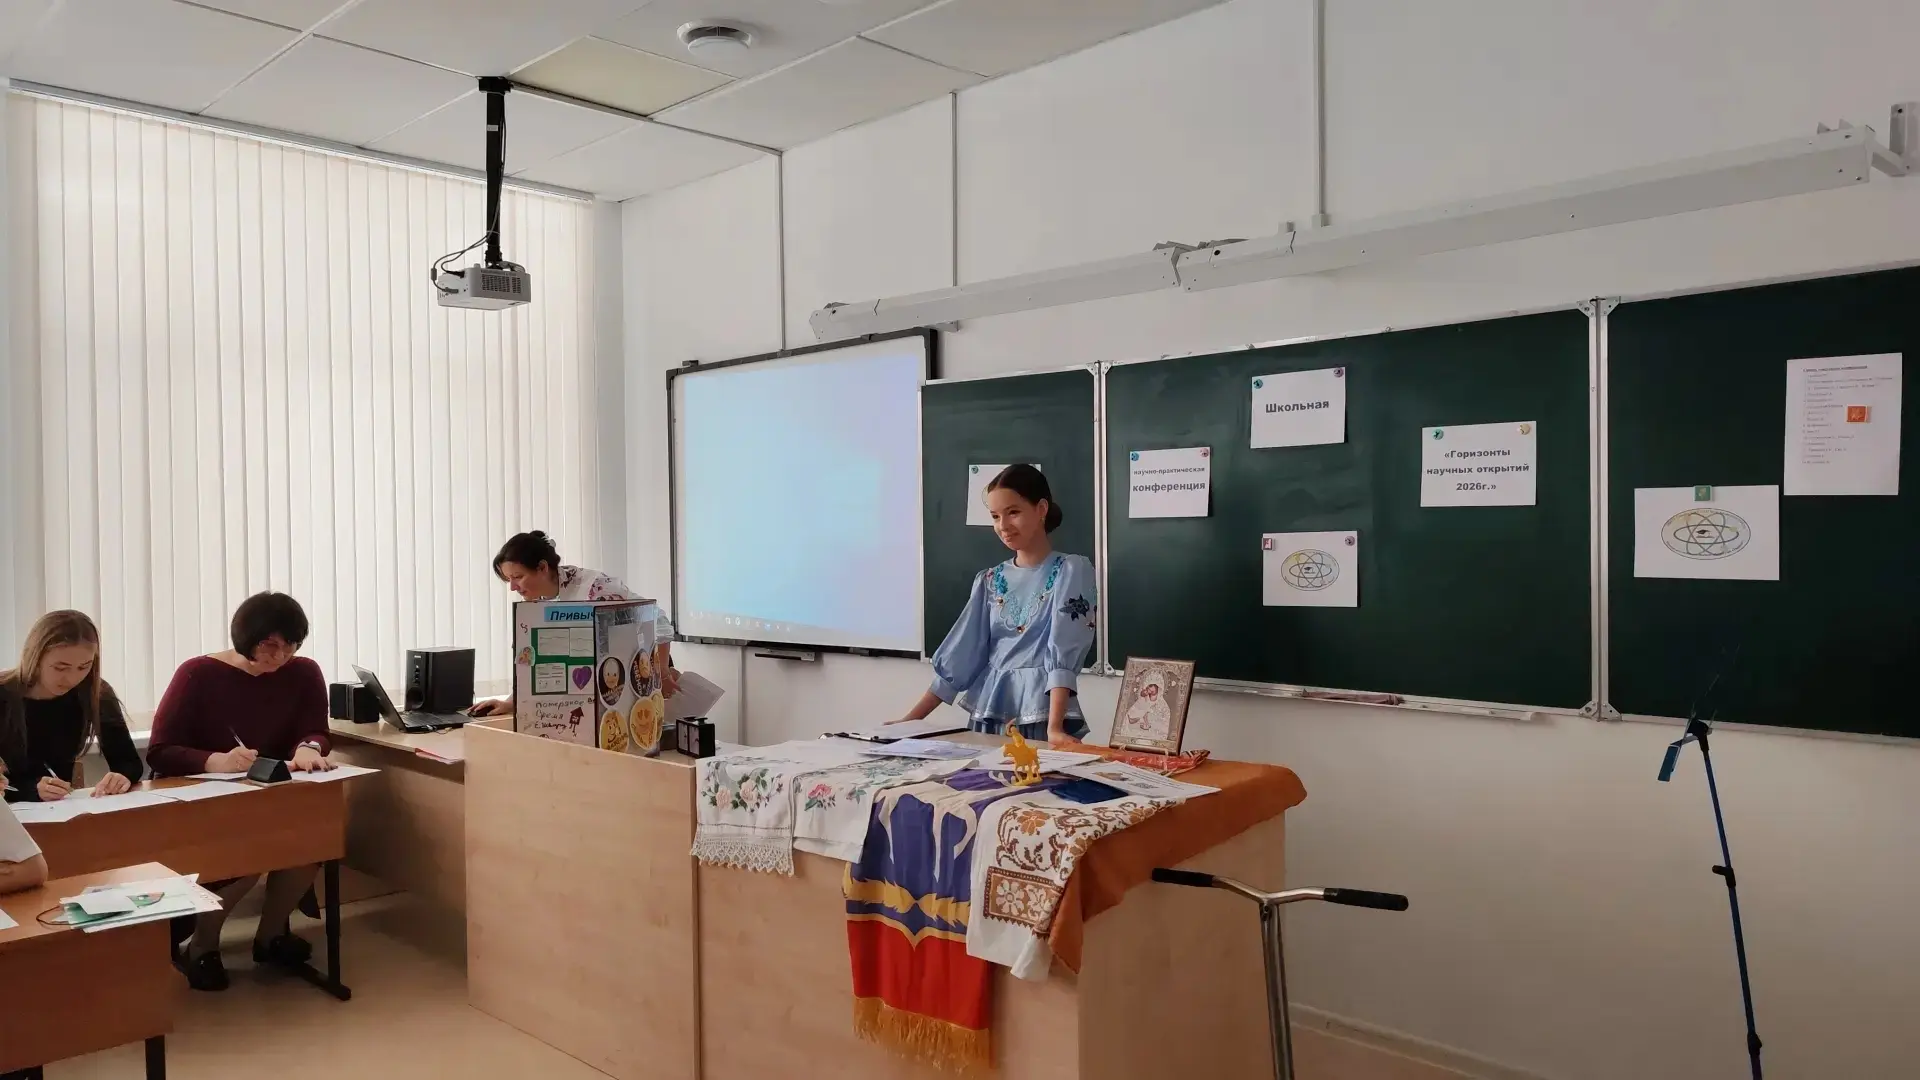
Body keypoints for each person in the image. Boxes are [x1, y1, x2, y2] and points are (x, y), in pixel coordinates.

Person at [147, 591, 336, 992]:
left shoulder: (304, 673)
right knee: (245, 853)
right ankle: (202, 946)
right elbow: (161, 750)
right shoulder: (198, 674)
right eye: (269, 645)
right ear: (245, 638)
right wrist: (215, 760)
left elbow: (316, 729)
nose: (280, 656)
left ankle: (271, 936)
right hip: (202, 799)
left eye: (290, 645)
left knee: (311, 843)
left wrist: (309, 747)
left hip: (270, 795)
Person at [896, 465, 1098, 744]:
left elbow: (1064, 646)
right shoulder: (990, 579)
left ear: (1041, 509)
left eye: (1013, 512)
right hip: (989, 713)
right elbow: (962, 654)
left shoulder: (1071, 570)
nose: (1003, 525)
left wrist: (1054, 727)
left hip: (1040, 713)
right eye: (995, 516)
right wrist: (910, 721)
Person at [469, 530, 677, 716]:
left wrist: (662, 672)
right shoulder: (534, 605)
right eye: (509, 580)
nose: (513, 587)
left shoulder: (594, 589)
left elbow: (658, 620)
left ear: (542, 567)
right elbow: (534, 661)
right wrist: (512, 702)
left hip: (637, 676)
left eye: (518, 577)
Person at [0, 610, 144, 802]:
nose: (72, 678)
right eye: (60, 667)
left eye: (84, 666)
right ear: (35, 657)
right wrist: (31, 790)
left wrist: (121, 777)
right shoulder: (4, 694)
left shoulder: (96, 692)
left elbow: (129, 762)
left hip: (58, 809)